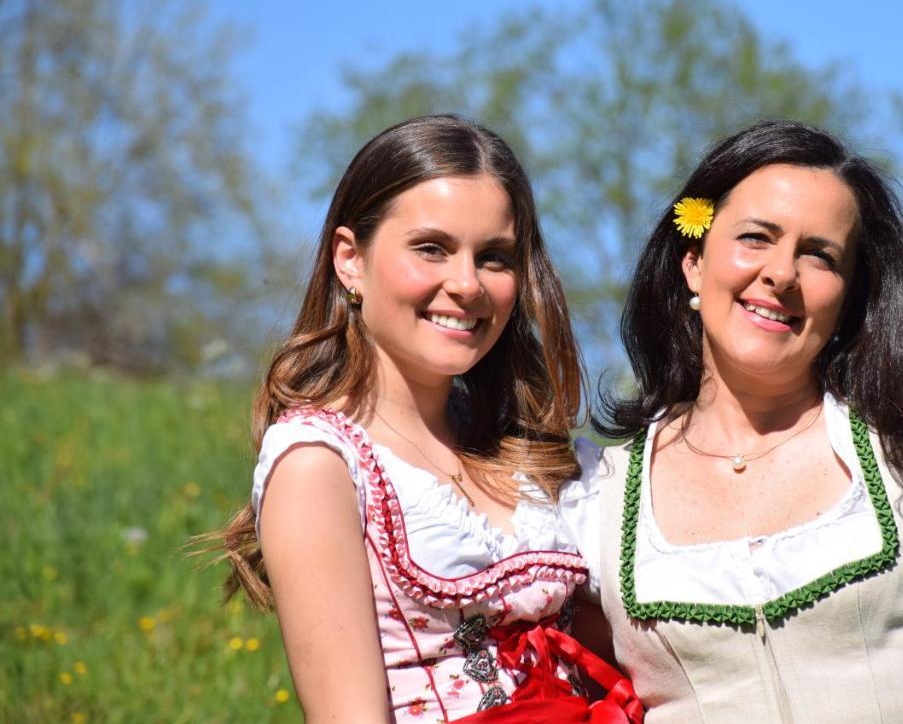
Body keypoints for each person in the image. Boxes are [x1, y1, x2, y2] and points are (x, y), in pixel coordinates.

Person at [560, 120, 903, 723]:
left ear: (849, 295)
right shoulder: (598, 498)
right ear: (693, 262)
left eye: (819, 255)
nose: (781, 274)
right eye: (755, 238)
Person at [215, 115, 640, 722]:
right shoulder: (320, 465)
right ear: (350, 261)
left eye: (494, 257)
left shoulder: (531, 451)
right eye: (431, 249)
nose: (466, 284)